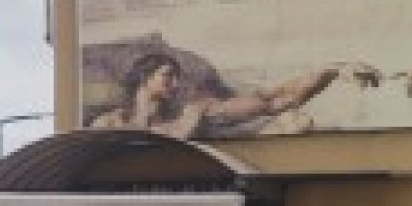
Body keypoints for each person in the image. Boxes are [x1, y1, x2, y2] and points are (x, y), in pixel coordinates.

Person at [90, 52, 381, 139]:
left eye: (177, 76)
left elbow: (273, 101)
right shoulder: (108, 125)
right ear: (144, 78)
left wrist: (330, 70)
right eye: (168, 75)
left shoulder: (193, 112)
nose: (175, 83)